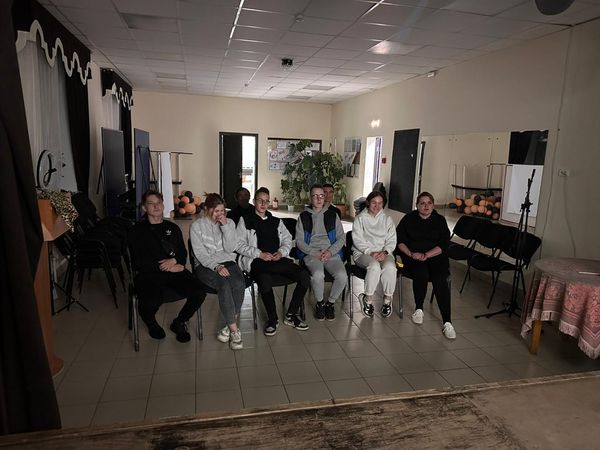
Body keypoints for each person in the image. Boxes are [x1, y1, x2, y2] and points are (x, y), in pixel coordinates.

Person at [128, 190, 206, 343]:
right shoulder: (136, 231)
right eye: (151, 203)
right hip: (149, 274)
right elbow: (139, 261)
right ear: (144, 207)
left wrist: (176, 261)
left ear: (163, 205)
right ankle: (151, 322)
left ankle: (179, 322)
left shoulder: (173, 228)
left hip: (175, 271)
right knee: (151, 300)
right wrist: (167, 267)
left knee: (199, 292)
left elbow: (182, 252)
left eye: (159, 203)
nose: (156, 206)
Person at [237, 187, 310, 335]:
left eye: (266, 201)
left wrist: (281, 252)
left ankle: (291, 314)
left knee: (304, 275)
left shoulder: (276, 221)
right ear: (254, 202)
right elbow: (238, 245)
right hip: (257, 261)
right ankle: (272, 319)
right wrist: (259, 254)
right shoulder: (245, 220)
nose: (263, 204)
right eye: (260, 201)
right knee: (264, 279)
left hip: (277, 259)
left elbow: (287, 240)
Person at [190, 193, 246, 350]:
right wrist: (216, 266)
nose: (220, 214)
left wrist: (226, 227)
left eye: (222, 211)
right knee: (224, 285)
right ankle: (234, 330)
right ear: (207, 210)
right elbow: (200, 254)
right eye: (216, 211)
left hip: (228, 260)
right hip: (205, 265)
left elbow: (230, 248)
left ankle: (228, 326)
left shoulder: (229, 223)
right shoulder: (197, 226)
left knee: (239, 283)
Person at [396, 192, 455, 339]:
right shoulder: (408, 218)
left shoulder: (440, 220)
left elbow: (444, 244)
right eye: (422, 203)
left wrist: (427, 255)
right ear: (417, 205)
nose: (426, 206)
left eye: (429, 203)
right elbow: (400, 240)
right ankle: (419, 309)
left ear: (433, 205)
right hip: (413, 257)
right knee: (421, 273)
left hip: (436, 257)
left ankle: (447, 321)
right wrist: (411, 254)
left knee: (440, 278)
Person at [296, 184, 347, 321]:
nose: (319, 199)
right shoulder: (303, 216)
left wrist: (330, 252)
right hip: (312, 254)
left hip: (331, 253)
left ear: (324, 197)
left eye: (321, 196)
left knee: (342, 276)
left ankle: (330, 303)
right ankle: (320, 303)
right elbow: (299, 241)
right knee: (318, 274)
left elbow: (341, 238)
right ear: (310, 198)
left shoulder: (333, 215)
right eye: (315, 196)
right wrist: (314, 253)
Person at [352, 190, 397, 318]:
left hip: (383, 253)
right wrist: (370, 252)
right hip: (363, 253)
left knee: (390, 267)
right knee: (374, 266)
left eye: (380, 203)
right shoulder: (360, 219)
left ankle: (387, 300)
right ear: (368, 203)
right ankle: (367, 299)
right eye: (373, 202)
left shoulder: (387, 219)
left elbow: (392, 240)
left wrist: (385, 252)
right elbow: (357, 240)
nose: (377, 206)